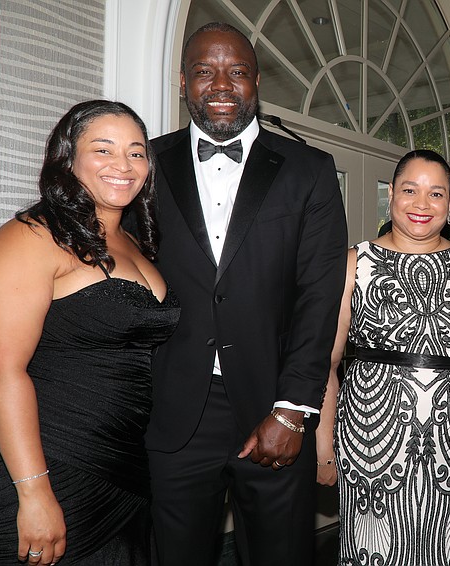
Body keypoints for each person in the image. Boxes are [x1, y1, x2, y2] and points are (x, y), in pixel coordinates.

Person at [144, 22, 347, 566]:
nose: (221, 84)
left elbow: (319, 298)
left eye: (236, 71)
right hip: (174, 411)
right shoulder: (143, 168)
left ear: (256, 81)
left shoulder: (310, 170)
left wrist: (292, 410)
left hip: (273, 405)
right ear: (183, 81)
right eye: (204, 71)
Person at [0, 100, 180, 565]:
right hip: (45, 461)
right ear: (68, 159)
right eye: (104, 149)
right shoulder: (32, 236)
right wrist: (34, 492)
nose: (123, 165)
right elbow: (1, 371)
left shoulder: (135, 241)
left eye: (137, 152)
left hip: (122, 463)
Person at [316, 149, 450, 564]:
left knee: (447, 552)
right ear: (391, 194)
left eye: (436, 193)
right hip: (371, 442)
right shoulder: (353, 264)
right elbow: (326, 361)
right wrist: (324, 445)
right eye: (410, 190)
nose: (422, 204)